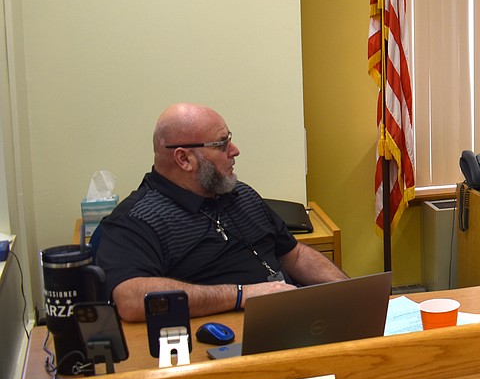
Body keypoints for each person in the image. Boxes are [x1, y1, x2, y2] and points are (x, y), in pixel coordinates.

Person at [97, 103, 347, 322]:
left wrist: (348, 290)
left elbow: (294, 255)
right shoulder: (136, 220)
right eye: (222, 144)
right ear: (184, 159)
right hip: (224, 336)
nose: (234, 150)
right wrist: (241, 294)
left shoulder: (241, 194)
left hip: (291, 316)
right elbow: (130, 298)